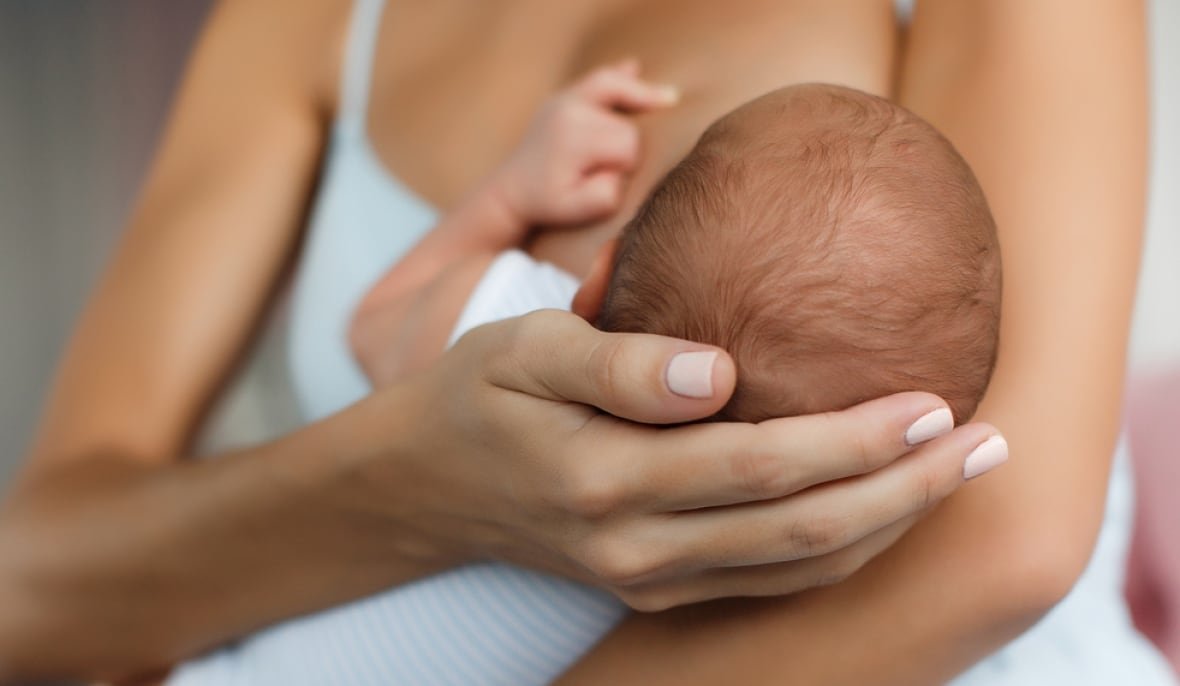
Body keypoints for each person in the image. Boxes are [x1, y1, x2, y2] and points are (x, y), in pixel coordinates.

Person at [0, 0, 1161, 684]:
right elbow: (30, 587)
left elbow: (1001, 553)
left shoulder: (503, 318)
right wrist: (419, 481)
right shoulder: (307, 25)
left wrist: (502, 216)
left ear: (596, 277)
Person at [166, 74, 1009, 685]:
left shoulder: (512, 328)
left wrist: (509, 197)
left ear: (600, 276)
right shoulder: (795, 568)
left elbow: (375, 323)